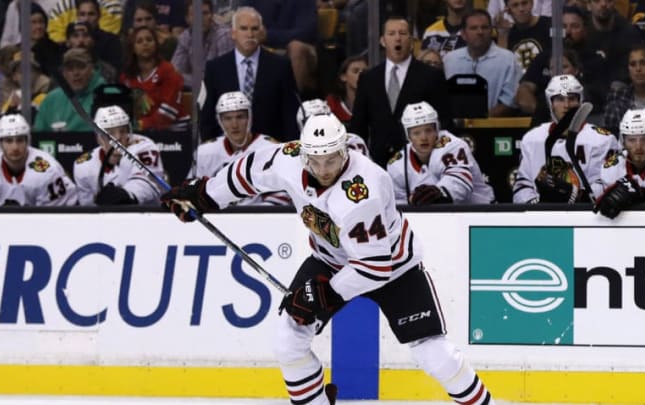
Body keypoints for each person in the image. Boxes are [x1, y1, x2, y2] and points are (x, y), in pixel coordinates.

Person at [161, 113, 495, 405]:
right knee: (288, 341)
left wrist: (326, 293)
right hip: (330, 259)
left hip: (394, 268)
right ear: (303, 152)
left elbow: (374, 267)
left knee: (433, 354)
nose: (323, 169)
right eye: (315, 160)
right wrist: (203, 195)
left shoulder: (362, 192)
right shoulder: (288, 157)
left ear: (346, 150)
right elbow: (247, 172)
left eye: (332, 160)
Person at [350, 15, 452, 167]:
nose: (397, 38)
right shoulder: (368, 78)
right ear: (383, 41)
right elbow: (358, 126)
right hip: (378, 164)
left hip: (419, 164)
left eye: (403, 33)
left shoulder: (431, 76)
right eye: (391, 34)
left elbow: (444, 122)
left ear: (411, 41)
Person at [512, 74, 619, 203]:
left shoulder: (603, 140)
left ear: (580, 102)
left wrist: (574, 195)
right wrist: (538, 206)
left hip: (585, 217)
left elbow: (609, 185)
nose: (566, 105)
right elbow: (522, 186)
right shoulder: (532, 139)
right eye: (560, 99)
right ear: (550, 103)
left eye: (572, 98)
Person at [200, 6, 300, 141]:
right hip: (227, 149)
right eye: (244, 28)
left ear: (261, 33)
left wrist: (287, 152)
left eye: (254, 29)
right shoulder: (215, 68)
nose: (250, 34)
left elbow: (290, 114)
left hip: (271, 148)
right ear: (233, 33)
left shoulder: (280, 66)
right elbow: (207, 117)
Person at [192, 91, 289, 206]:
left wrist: (255, 216)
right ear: (220, 121)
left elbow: (282, 194)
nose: (234, 125)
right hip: (218, 216)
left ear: (249, 117)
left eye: (240, 117)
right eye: (228, 118)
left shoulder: (270, 149)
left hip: (259, 219)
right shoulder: (205, 152)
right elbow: (193, 190)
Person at [388, 101, 494, 206]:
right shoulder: (397, 165)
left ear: (436, 130)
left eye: (428, 130)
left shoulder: (454, 146)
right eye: (416, 133)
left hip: (480, 212)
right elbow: (398, 204)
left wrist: (440, 192)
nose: (424, 137)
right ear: (408, 136)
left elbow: (460, 185)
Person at [0, 114, 77, 207]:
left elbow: (54, 219)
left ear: (27, 141)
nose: (15, 147)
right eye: (8, 141)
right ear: (0, 143)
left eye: (19, 140)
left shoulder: (48, 171)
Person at [73, 105, 164, 206]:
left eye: (122, 131)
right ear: (99, 138)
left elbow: (147, 183)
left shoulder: (144, 146)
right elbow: (87, 209)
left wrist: (127, 195)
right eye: (110, 133)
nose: (118, 138)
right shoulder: (83, 166)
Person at [443, 9, 519, 117]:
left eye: (484, 27)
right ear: (463, 34)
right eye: (474, 28)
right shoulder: (450, 60)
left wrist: (482, 119)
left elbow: (511, 100)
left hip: (495, 126)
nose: (480, 32)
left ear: (491, 31)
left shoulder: (508, 59)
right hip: (455, 126)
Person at [120, 26, 190, 131]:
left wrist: (141, 125)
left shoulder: (168, 70)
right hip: (141, 130)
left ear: (156, 45)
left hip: (174, 128)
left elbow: (168, 111)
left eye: (149, 40)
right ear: (133, 48)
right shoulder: (126, 78)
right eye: (139, 41)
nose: (145, 43)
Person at [34, 48, 106, 132]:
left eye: (81, 67)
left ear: (92, 68)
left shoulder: (107, 95)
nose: (76, 73)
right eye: (70, 68)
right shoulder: (51, 100)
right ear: (63, 72)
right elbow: (39, 134)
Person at [603, 45, 645, 135]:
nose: (638, 69)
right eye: (633, 64)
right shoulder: (617, 97)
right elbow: (611, 135)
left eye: (643, 63)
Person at [171, 0, 234, 86]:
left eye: (205, 13)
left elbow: (223, 77)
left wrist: (184, 78)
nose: (201, 18)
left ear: (211, 16)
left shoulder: (224, 35)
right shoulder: (185, 37)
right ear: (187, 19)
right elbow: (173, 74)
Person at [296, 98, 370, 158]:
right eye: (311, 121)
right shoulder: (292, 153)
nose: (318, 126)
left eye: (322, 117)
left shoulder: (353, 142)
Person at [325, 55, 367, 127]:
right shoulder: (332, 103)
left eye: (365, 72)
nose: (361, 75)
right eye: (355, 71)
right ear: (343, 77)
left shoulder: (375, 101)